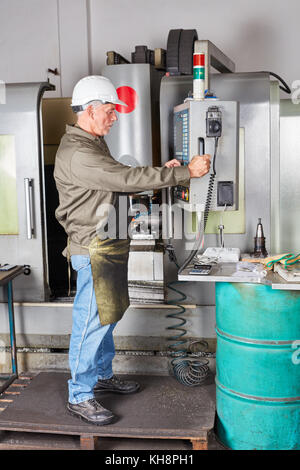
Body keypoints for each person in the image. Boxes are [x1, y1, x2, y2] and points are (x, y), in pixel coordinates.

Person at [54, 75, 211, 426]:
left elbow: (118, 178)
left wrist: (164, 172)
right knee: (90, 323)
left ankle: (101, 376)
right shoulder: (79, 152)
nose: (114, 117)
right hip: (93, 247)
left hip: (109, 243)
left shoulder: (93, 143)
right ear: (90, 111)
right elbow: (124, 179)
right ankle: (79, 395)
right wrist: (185, 173)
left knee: (108, 316)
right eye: (110, 111)